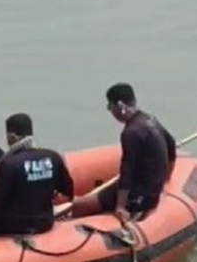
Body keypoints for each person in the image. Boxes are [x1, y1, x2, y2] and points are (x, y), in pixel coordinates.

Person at [72, 83, 177, 222]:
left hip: (139, 195)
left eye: (110, 106)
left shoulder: (131, 133)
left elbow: (127, 170)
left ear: (120, 105)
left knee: (77, 206)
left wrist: (120, 206)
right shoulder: (150, 119)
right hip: (150, 188)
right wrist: (166, 179)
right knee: (96, 197)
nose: (110, 111)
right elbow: (171, 145)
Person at [0, 113, 75, 238]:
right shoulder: (53, 157)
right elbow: (68, 190)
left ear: (12, 137)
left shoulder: (10, 164)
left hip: (13, 225)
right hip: (45, 222)